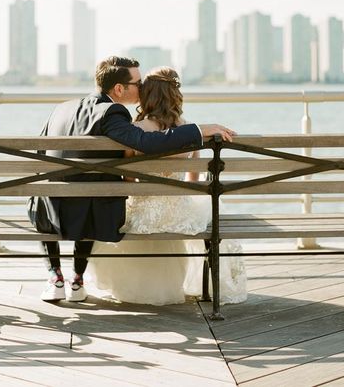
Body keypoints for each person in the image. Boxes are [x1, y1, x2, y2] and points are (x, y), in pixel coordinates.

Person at [34, 56, 236, 303]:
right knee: (94, 194)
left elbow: (41, 157)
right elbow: (146, 142)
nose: (142, 89)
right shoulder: (112, 112)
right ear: (119, 89)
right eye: (138, 84)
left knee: (72, 190)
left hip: (48, 209)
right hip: (91, 212)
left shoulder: (62, 108)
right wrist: (198, 130)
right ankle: (77, 279)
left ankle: (55, 276)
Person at [87, 67, 247, 306]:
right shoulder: (190, 131)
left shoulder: (135, 131)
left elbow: (129, 182)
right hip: (178, 213)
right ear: (175, 96)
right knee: (207, 212)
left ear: (147, 97)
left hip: (144, 214)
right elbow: (194, 183)